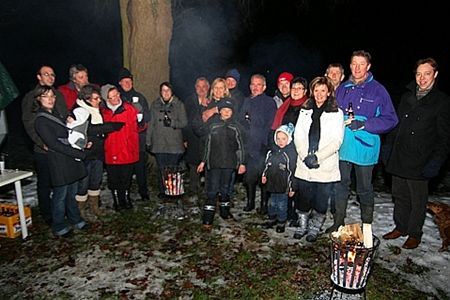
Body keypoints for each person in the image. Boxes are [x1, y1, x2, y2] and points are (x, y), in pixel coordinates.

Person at [382, 57, 450, 249]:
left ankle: (414, 233)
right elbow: (397, 125)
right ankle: (400, 226)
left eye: (427, 74)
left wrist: (436, 161)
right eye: (419, 74)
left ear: (435, 75)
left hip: (421, 159)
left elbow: (444, 137)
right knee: (399, 195)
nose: (422, 78)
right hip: (400, 155)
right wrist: (388, 148)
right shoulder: (407, 96)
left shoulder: (442, 101)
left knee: (417, 200)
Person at [328, 50, 398, 233]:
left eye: (361, 64)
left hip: (365, 147)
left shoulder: (378, 90)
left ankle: (367, 225)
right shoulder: (343, 88)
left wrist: (366, 124)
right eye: (354, 64)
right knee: (340, 185)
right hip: (343, 146)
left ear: (368, 66)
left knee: (364, 188)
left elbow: (391, 119)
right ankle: (338, 221)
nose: (357, 68)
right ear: (350, 65)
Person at [293, 76, 344, 242]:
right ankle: (302, 226)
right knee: (304, 198)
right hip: (305, 162)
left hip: (324, 164)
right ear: (312, 92)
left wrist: (317, 157)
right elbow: (298, 135)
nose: (320, 94)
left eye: (323, 90)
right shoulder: (305, 110)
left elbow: (337, 140)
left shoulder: (336, 113)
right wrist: (304, 155)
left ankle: (315, 228)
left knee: (321, 200)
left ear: (329, 92)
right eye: (316, 90)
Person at [33, 85, 88, 237]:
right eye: (46, 96)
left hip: (69, 158)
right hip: (58, 160)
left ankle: (75, 218)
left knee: (72, 192)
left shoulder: (57, 114)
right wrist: (78, 153)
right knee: (60, 195)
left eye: (52, 96)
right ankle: (58, 225)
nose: (50, 99)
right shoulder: (40, 120)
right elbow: (53, 144)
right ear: (39, 99)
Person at [22, 65, 68, 226]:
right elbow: (29, 124)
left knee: (62, 181)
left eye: (52, 75)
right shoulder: (31, 98)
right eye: (46, 74)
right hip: (43, 150)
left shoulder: (58, 95)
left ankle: (62, 210)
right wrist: (42, 144)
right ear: (39, 77)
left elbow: (64, 116)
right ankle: (47, 213)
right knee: (45, 182)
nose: (50, 77)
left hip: (61, 148)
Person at [71, 84, 124, 218]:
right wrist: (109, 127)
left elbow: (98, 131)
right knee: (83, 183)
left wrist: (104, 133)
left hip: (98, 153)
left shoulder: (96, 110)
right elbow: (88, 129)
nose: (99, 101)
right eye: (96, 98)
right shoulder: (79, 111)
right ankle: (80, 210)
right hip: (85, 155)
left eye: (99, 98)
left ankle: (94, 207)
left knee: (96, 180)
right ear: (87, 99)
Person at [197, 98, 246, 229]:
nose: (226, 112)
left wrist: (241, 163)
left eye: (228, 110)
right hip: (213, 164)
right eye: (223, 110)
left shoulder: (236, 127)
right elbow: (207, 145)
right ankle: (208, 218)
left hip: (229, 164)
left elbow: (240, 146)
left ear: (232, 112)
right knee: (212, 190)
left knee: (225, 189)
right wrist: (203, 161)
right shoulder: (213, 125)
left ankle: (225, 212)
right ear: (220, 111)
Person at [270, 76, 308, 222]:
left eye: (299, 88)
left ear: (305, 91)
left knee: (297, 181)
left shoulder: (308, 106)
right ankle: (283, 211)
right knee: (285, 179)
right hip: (285, 148)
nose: (296, 91)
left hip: (300, 149)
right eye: (294, 88)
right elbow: (277, 127)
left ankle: (297, 214)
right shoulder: (286, 105)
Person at [238, 74, 277, 213]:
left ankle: (264, 204)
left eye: (258, 84)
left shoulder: (269, 102)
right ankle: (250, 202)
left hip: (262, 145)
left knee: (263, 176)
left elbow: (270, 124)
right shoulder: (246, 101)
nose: (255, 87)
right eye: (253, 84)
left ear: (264, 87)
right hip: (248, 145)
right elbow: (240, 120)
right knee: (249, 177)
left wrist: (263, 142)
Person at [101, 84, 141, 211]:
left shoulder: (129, 109)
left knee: (126, 177)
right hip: (111, 150)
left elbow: (139, 127)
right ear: (106, 99)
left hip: (128, 149)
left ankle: (126, 198)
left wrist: (141, 120)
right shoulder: (103, 113)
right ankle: (117, 200)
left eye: (117, 94)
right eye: (112, 97)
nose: (116, 98)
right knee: (114, 178)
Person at [147, 82, 187, 198]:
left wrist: (172, 123)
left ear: (172, 92)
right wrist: (148, 141)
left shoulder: (179, 105)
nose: (166, 93)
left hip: (174, 144)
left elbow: (184, 123)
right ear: (160, 92)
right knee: (161, 169)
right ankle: (162, 191)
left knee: (172, 170)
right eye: (163, 90)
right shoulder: (155, 105)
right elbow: (151, 124)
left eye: (168, 90)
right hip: (159, 143)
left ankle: (173, 191)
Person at [117, 67, 151, 201]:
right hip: (123, 141)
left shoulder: (140, 97)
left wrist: (142, 121)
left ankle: (144, 192)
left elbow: (147, 116)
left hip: (138, 140)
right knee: (125, 170)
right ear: (120, 83)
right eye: (124, 81)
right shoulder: (117, 98)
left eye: (129, 81)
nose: (127, 83)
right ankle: (124, 193)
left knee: (140, 167)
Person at [261, 123, 296, 233]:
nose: (281, 141)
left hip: (283, 185)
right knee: (272, 202)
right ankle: (272, 218)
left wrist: (291, 188)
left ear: (289, 139)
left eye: (283, 139)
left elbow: (292, 172)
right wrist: (264, 175)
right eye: (278, 138)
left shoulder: (289, 154)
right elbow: (267, 165)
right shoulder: (271, 152)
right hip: (272, 183)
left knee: (281, 204)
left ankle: (281, 221)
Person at [183, 77, 210, 200]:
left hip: (208, 137)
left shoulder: (212, 101)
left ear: (208, 88)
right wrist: (184, 138)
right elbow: (185, 121)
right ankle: (194, 188)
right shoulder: (189, 101)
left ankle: (207, 190)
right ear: (195, 88)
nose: (201, 89)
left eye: (204, 86)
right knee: (193, 163)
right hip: (192, 137)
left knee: (207, 162)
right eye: (198, 86)